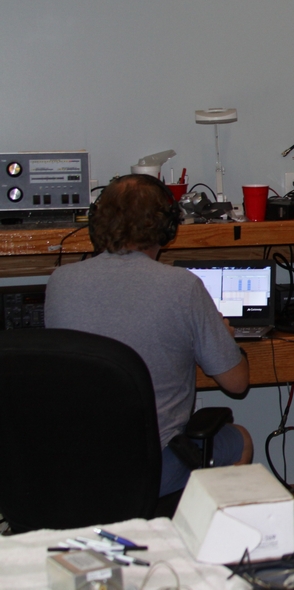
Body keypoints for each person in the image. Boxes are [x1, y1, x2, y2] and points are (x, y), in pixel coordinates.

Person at [45, 174, 253, 497]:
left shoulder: (60, 281)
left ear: (98, 222)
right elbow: (237, 383)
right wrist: (223, 338)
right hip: (151, 468)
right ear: (167, 227)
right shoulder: (181, 286)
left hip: (77, 466)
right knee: (241, 440)